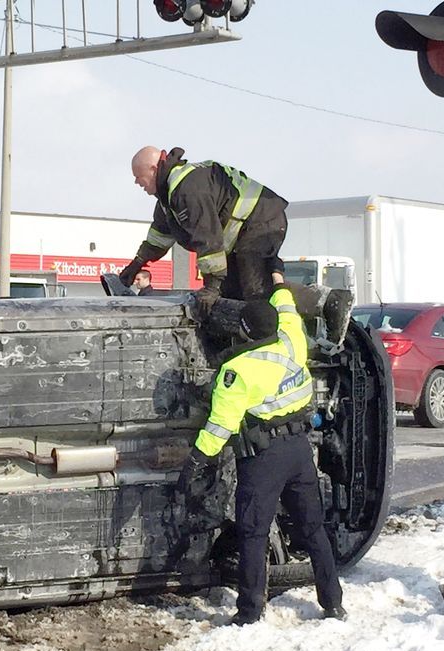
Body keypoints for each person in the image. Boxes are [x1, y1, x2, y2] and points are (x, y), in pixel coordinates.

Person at [176, 282, 346, 625]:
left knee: (253, 533)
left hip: (263, 459)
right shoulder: (292, 340)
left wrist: (195, 463)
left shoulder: (238, 371)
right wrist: (278, 283)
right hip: (299, 451)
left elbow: (220, 427)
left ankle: (250, 612)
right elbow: (286, 306)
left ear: (244, 332)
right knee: (313, 529)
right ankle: (333, 602)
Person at [119, 145, 353, 343]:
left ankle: (328, 302)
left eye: (138, 177)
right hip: (249, 228)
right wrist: (137, 264)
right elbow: (158, 238)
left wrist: (212, 286)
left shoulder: (187, 190)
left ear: (153, 169)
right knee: (233, 295)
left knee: (256, 291)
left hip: (261, 221)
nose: (137, 183)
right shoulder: (168, 198)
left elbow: (208, 240)